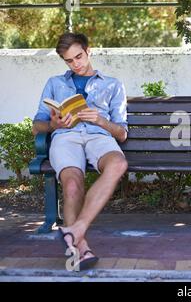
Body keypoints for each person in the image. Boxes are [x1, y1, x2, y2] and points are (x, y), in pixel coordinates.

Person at [32, 33, 128, 270]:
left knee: (118, 164)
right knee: (72, 184)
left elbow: (122, 133)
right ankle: (80, 249)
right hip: (67, 137)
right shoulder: (55, 83)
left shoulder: (113, 84)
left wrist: (101, 120)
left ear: (88, 51)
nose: (76, 64)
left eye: (79, 57)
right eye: (69, 61)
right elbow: (37, 126)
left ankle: (75, 228)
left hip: (100, 135)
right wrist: (54, 125)